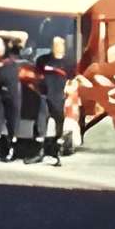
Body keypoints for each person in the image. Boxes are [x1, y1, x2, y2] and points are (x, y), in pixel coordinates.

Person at [35, 34, 72, 167]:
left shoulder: (68, 63)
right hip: (44, 96)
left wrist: (70, 88)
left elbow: (73, 79)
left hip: (59, 98)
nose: (57, 47)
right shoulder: (43, 60)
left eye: (59, 45)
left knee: (59, 125)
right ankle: (40, 152)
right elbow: (36, 75)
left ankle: (56, 154)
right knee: (41, 124)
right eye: (54, 45)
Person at [0, 32, 23, 161]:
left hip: (12, 94)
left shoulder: (12, 55)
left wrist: (0, 34)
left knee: (12, 123)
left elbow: (23, 37)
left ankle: (12, 150)